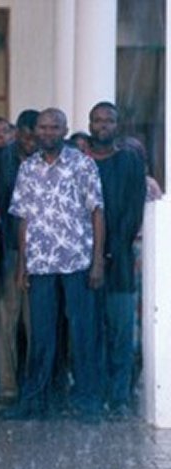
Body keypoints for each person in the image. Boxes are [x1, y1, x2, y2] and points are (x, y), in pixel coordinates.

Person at [2, 108, 105, 422]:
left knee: (82, 333)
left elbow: (97, 212)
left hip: (77, 261)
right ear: (35, 130)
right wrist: (23, 264)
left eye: (54, 127)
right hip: (41, 264)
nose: (48, 132)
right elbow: (23, 218)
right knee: (42, 335)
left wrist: (97, 261)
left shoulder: (83, 164)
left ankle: (88, 403)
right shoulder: (28, 168)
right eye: (43, 127)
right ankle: (34, 402)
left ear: (65, 130)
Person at [87, 102, 146, 418]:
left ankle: (119, 397)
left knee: (121, 333)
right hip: (84, 261)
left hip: (120, 260)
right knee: (91, 334)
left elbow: (133, 210)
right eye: (97, 120)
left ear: (117, 125)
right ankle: (93, 396)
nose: (103, 125)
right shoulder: (81, 163)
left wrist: (111, 250)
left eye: (108, 120)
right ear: (90, 125)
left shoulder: (130, 162)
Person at [0, 109, 38, 403]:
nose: (31, 143)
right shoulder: (0, 159)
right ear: (17, 133)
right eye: (26, 136)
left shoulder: (48, 160)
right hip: (8, 249)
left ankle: (33, 388)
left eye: (35, 137)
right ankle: (7, 388)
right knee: (6, 320)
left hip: (41, 254)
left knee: (35, 324)